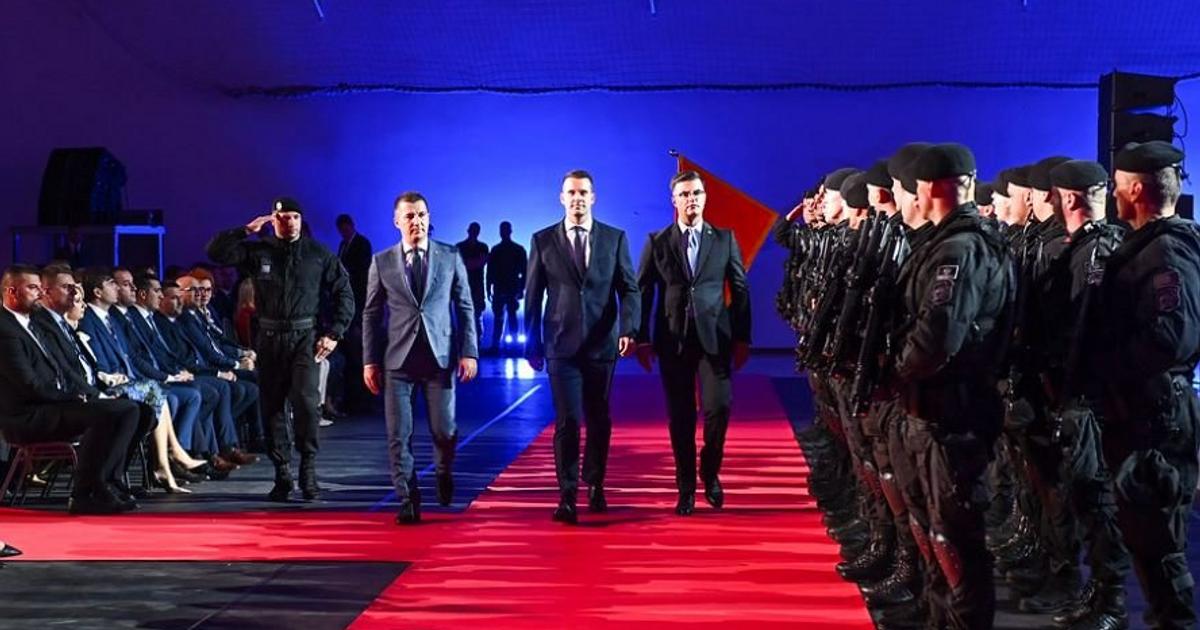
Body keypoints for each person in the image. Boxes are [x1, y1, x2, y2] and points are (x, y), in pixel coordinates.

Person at [893, 144, 1013, 630]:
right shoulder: (954, 242)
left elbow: (937, 338)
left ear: (927, 188)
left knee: (955, 540)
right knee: (937, 533)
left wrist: (894, 368)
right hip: (942, 411)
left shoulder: (958, 250)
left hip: (953, 415)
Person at [1093, 140, 1200, 630]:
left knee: (1159, 539)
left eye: (1117, 186)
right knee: (1145, 534)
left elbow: (1171, 338)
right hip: (1146, 410)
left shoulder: (1165, 252)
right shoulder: (1152, 246)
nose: (1113, 195)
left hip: (1157, 414)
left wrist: (1110, 362)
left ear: (1136, 190)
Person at [206, 197, 354, 502]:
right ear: (273, 220)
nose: (289, 223)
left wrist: (335, 333)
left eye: (294, 217)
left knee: (306, 404)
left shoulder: (318, 253)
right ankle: (282, 473)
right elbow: (216, 252)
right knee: (272, 407)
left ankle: (308, 470)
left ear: (301, 220)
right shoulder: (258, 251)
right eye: (283, 217)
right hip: (270, 337)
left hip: (305, 338)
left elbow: (344, 292)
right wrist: (245, 230)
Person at [524, 169, 639, 525]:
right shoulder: (542, 240)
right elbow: (533, 295)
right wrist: (531, 343)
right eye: (571, 193)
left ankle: (595, 483)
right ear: (562, 198)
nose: (577, 198)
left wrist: (629, 328)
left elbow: (629, 288)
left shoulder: (614, 238)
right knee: (568, 420)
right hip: (561, 345)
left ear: (593, 198)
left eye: (583, 192)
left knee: (599, 418)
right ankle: (568, 494)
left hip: (603, 344)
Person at [635, 170, 751, 516]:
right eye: (685, 194)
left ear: (705, 197)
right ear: (674, 200)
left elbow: (740, 290)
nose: (692, 199)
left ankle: (709, 470)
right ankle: (685, 486)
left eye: (697, 193)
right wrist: (641, 339)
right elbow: (643, 292)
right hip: (673, 341)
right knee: (681, 417)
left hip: (715, 340)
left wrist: (743, 337)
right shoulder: (657, 241)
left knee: (719, 408)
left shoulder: (724, 239)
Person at [363, 191, 479, 525]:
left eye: (422, 215)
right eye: (410, 216)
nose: (417, 221)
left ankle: (443, 471)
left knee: (445, 431)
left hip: (439, 361)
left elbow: (465, 306)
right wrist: (369, 361)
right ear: (397, 221)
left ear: (429, 218)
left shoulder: (449, 256)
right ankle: (408, 499)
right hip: (397, 362)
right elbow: (371, 314)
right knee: (398, 436)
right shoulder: (382, 261)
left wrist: (469, 351)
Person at [0, 265, 144, 515]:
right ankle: (84, 494)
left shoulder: (33, 324)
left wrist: (85, 394)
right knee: (107, 414)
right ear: (12, 292)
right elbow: (28, 384)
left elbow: (62, 368)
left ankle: (105, 483)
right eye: (33, 288)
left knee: (130, 409)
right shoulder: (5, 330)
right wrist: (71, 397)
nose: (40, 293)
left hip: (52, 405)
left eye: (40, 287)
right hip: (28, 415)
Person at [487, 221, 527, 353]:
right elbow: (490, 271)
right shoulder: (512, 249)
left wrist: (521, 289)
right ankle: (503, 345)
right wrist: (488, 287)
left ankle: (501, 345)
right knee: (505, 316)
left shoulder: (500, 250)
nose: (503, 232)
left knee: (507, 317)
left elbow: (525, 272)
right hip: (506, 288)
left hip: (509, 288)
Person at [455, 222, 489, 341]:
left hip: (473, 288)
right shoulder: (481, 247)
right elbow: (480, 262)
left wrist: (467, 263)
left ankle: (471, 345)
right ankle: (470, 345)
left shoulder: (460, 247)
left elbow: (460, 265)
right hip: (468, 288)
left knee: (472, 318)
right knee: (468, 319)